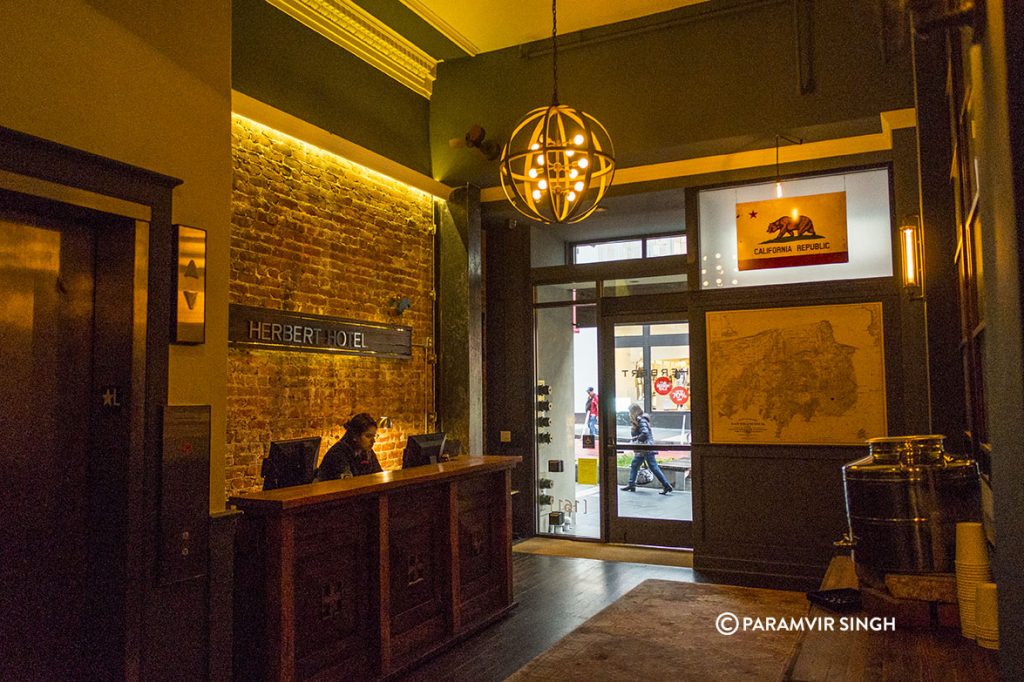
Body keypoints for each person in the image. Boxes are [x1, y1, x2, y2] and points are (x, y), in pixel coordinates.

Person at [620, 402, 673, 494]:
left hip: (645, 447)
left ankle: (666, 485)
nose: (629, 414)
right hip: (644, 447)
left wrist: (636, 439)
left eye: (630, 412)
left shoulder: (641, 420)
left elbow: (645, 433)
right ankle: (631, 484)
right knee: (635, 464)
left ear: (634, 411)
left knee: (652, 466)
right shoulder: (641, 419)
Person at [314, 412, 383, 481]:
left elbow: (379, 475)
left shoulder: (366, 451)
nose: (373, 441)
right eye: (368, 436)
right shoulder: (338, 453)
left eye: (374, 436)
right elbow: (347, 483)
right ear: (355, 436)